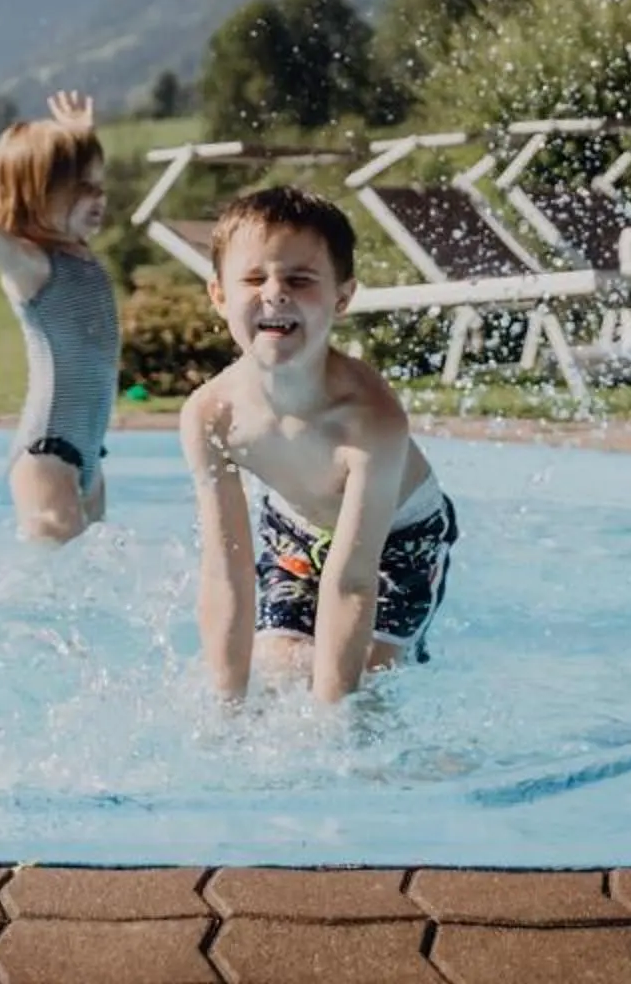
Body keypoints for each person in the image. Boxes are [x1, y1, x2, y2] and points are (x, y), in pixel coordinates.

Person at [181, 185, 454, 703]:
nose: (276, 292)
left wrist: (333, 722)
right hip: (295, 531)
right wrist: (226, 706)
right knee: (276, 671)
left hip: (401, 542)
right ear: (218, 295)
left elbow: (353, 583)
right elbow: (226, 569)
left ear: (342, 297)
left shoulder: (370, 420)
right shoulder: (210, 416)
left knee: (366, 688)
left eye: (300, 279)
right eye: (254, 278)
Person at [0, 92, 118, 543]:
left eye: (99, 185)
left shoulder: (78, 254)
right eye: (82, 187)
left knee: (86, 581)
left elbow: (62, 181)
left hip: (89, 453)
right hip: (48, 453)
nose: (99, 198)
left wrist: (80, 136)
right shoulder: (33, 265)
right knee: (55, 580)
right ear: (37, 193)